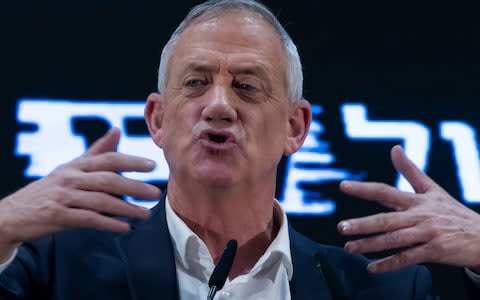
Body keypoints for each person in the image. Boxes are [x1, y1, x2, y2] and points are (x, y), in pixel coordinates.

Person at [0, 0, 477, 299]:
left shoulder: (383, 288)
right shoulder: (56, 267)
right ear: (157, 120)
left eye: (247, 86)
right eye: (196, 83)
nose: (219, 106)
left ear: (296, 126)